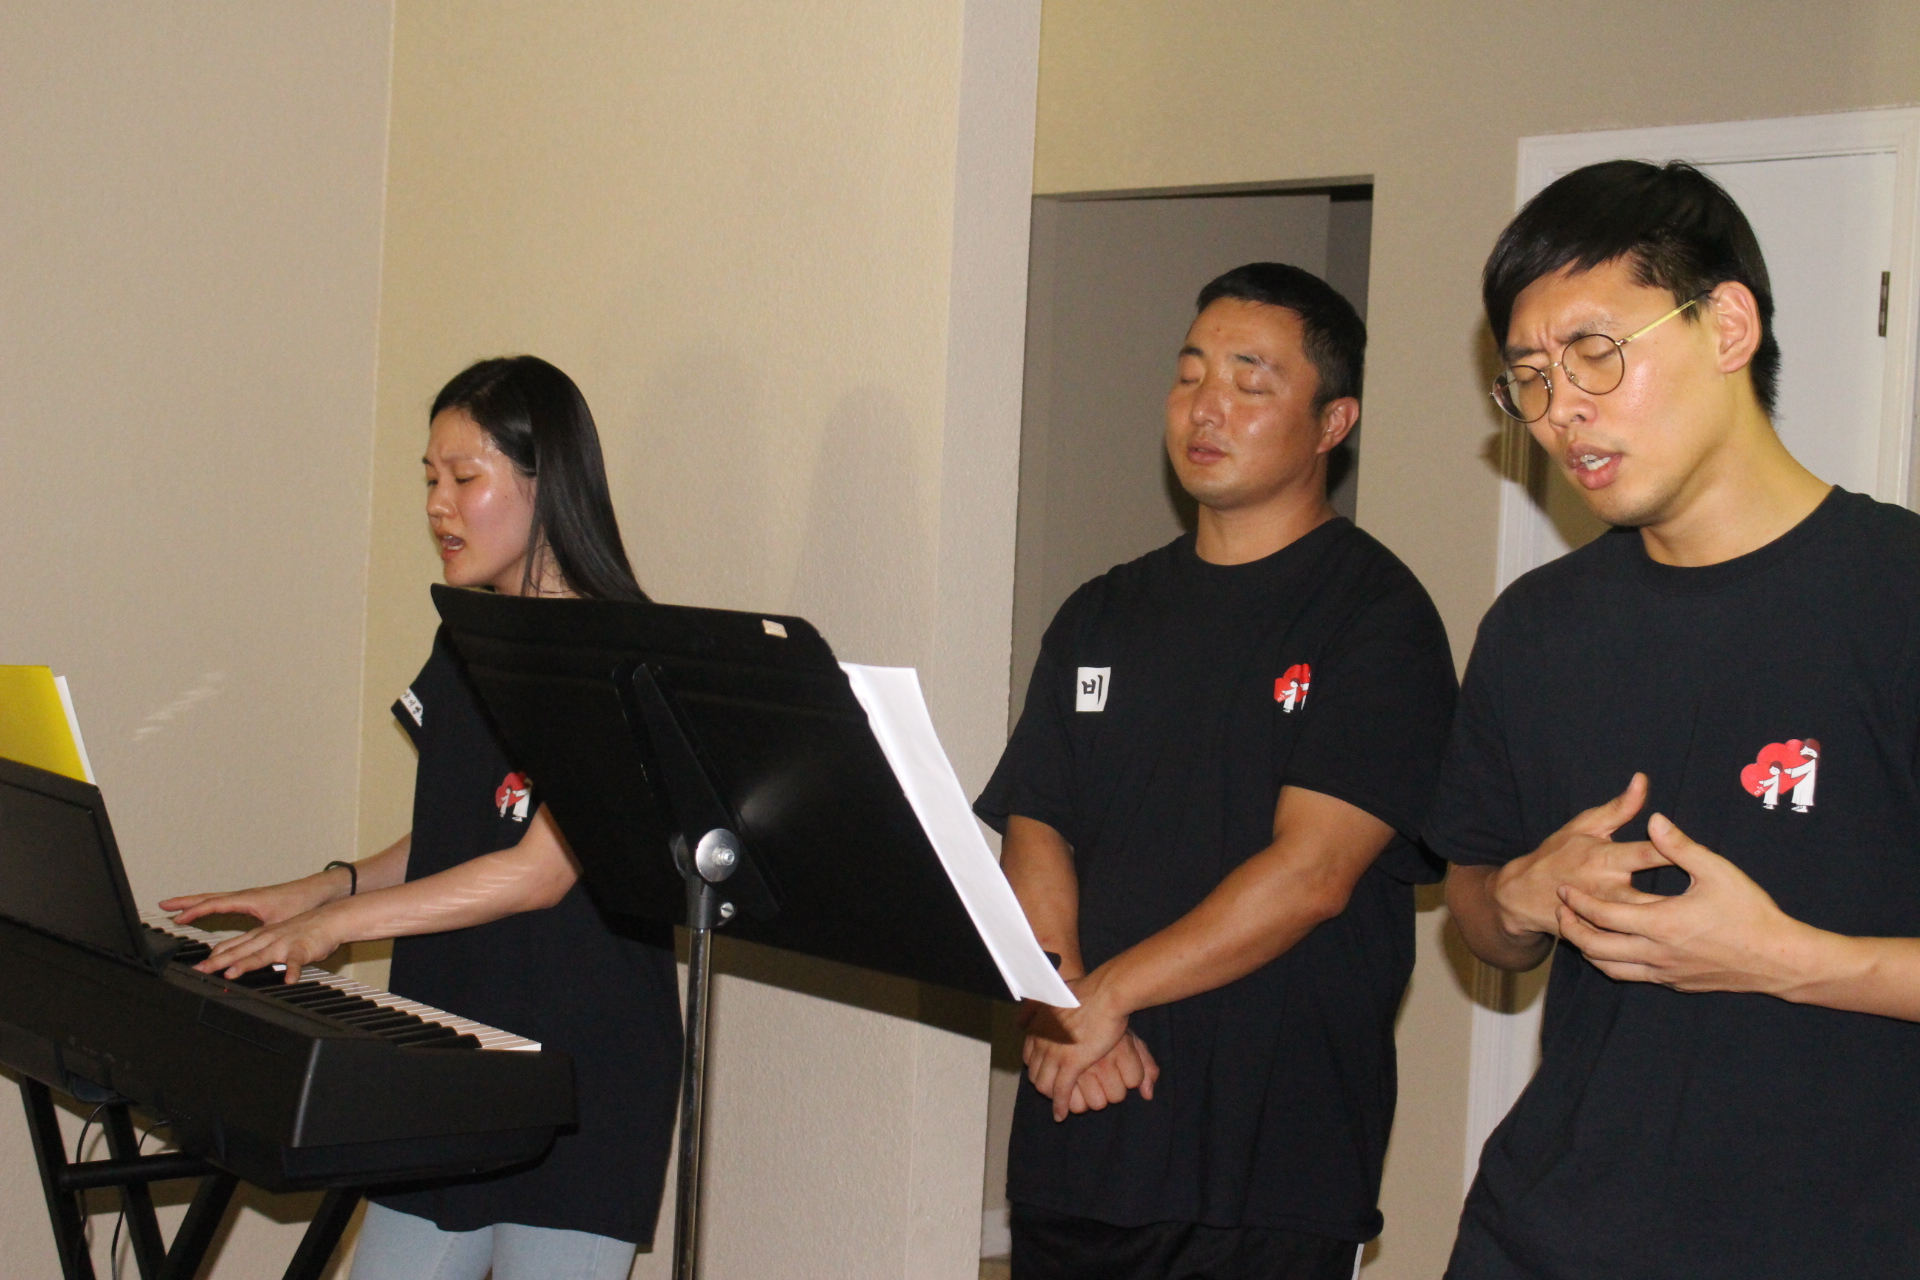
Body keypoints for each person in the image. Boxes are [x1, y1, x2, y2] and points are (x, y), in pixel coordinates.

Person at [1434, 160, 1920, 1279]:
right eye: (1530, 378)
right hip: (1542, 1232)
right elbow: (1478, 911)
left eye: (1596, 351)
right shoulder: (1535, 628)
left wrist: (1785, 958)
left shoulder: (1895, 597)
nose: (1562, 410)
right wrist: (1519, 895)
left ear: (1728, 326)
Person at [976, 263, 1458, 1280]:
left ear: (1333, 423)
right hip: (1081, 1121)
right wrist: (1063, 1005)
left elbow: (1313, 872)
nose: (1206, 407)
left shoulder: (1377, 617)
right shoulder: (1101, 612)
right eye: (1190, 373)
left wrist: (1107, 995)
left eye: (1250, 382)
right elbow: (1037, 827)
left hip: (1265, 1162)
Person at [159, 356, 682, 1280]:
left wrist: (337, 929)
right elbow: (463, 830)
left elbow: (538, 870)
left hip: (582, 1067)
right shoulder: (465, 636)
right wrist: (324, 889)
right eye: (429, 479)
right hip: (448, 1048)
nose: (438, 505)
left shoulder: (614, 653)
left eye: (464, 478)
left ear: (547, 482)